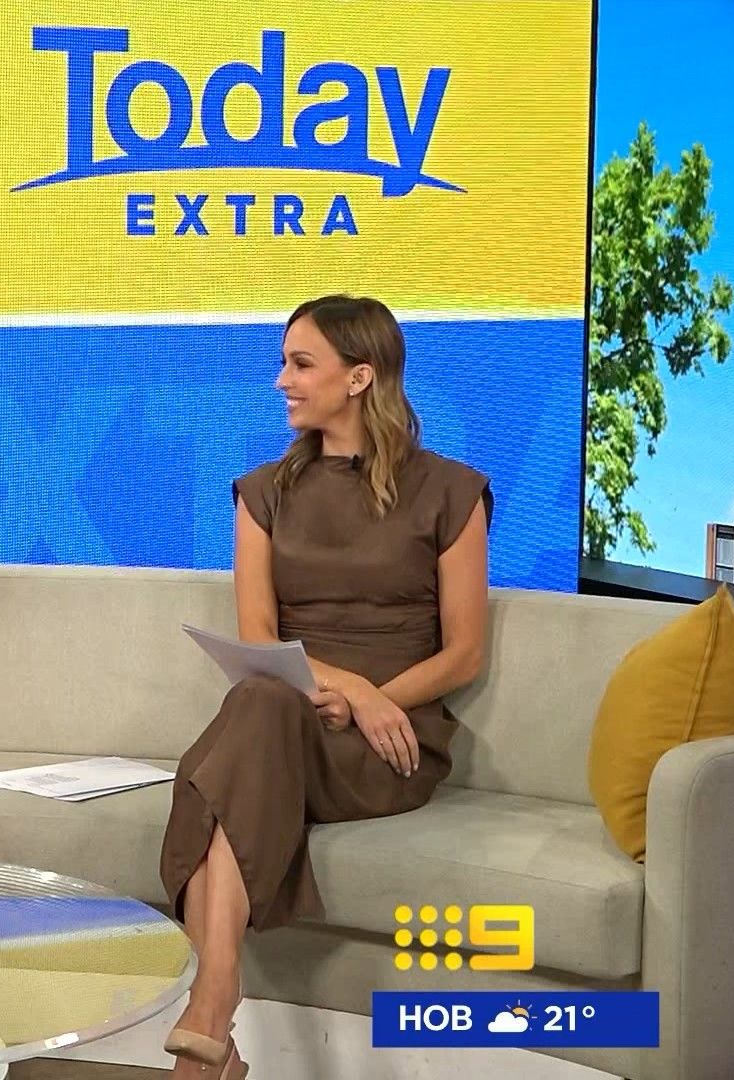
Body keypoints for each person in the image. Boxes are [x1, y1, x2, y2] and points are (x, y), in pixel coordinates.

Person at [157, 295, 492, 1079]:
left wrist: (377, 700)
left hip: (390, 739)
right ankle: (214, 1012)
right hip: (293, 715)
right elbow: (260, 637)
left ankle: (210, 1016)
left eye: (301, 364)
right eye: (284, 362)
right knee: (261, 700)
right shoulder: (262, 494)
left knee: (231, 758)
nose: (282, 380)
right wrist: (343, 689)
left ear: (360, 377)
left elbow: (464, 652)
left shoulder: (452, 492)